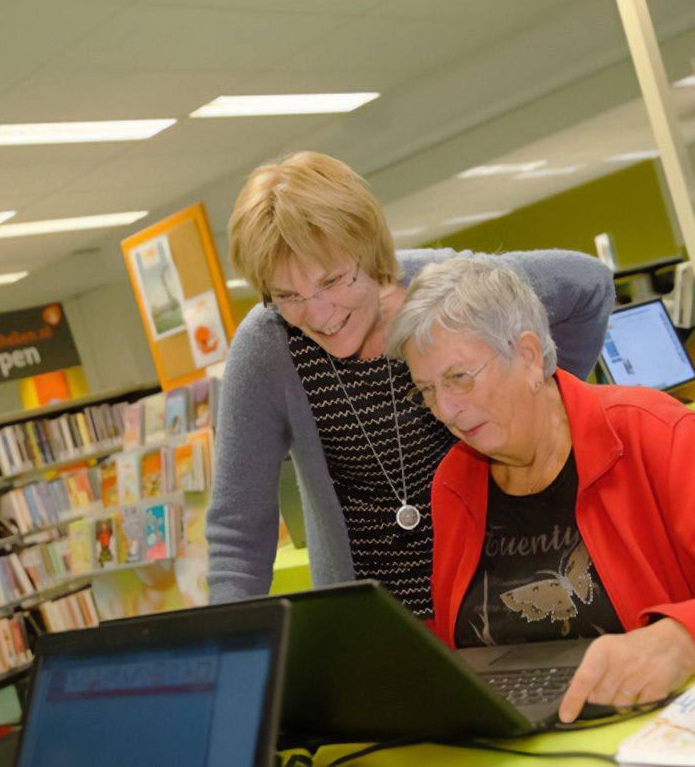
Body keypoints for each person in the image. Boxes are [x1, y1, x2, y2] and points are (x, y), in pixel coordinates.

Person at [385, 253, 695, 720]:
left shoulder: (651, 432)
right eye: (425, 390)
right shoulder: (454, 480)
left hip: (657, 726)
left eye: (459, 378)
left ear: (527, 357)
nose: (444, 410)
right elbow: (458, 637)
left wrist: (679, 640)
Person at [206, 151, 615, 619]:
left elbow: (590, 286)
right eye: (287, 296)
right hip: (380, 630)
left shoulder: (449, 292)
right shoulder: (268, 345)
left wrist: (536, 400)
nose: (318, 315)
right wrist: (232, 654)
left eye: (334, 280)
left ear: (369, 252)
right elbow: (238, 535)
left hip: (508, 604)